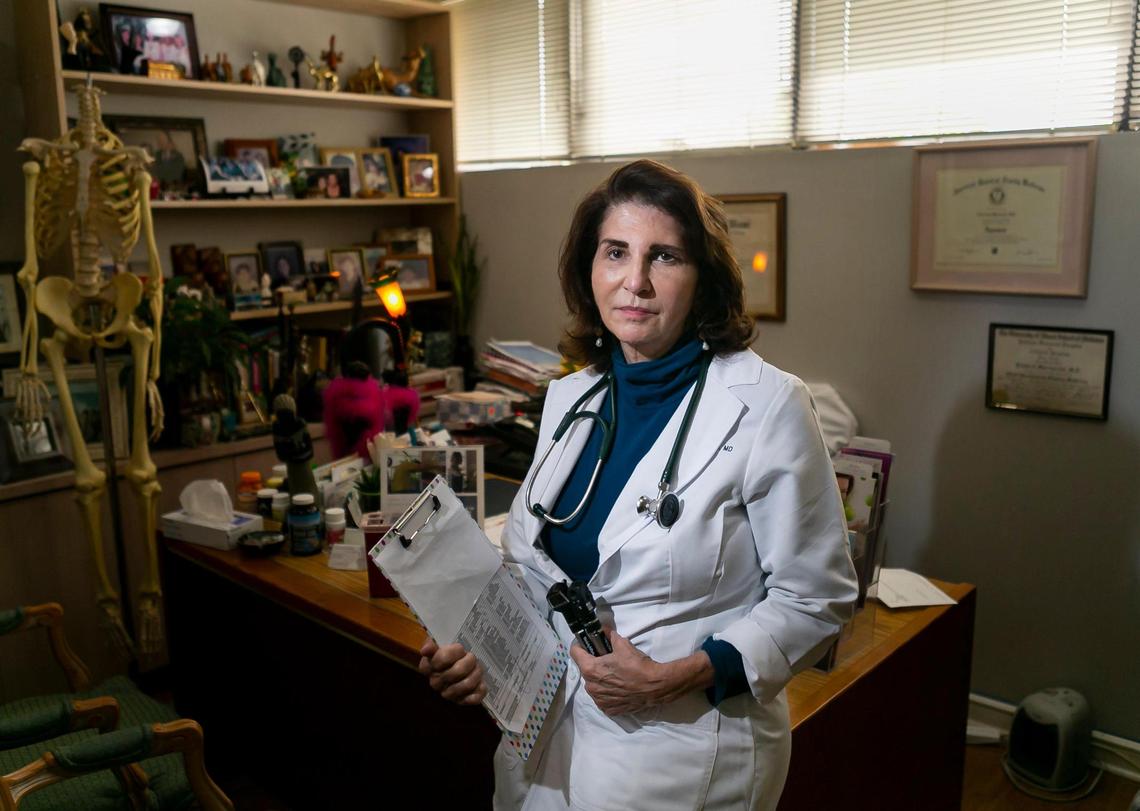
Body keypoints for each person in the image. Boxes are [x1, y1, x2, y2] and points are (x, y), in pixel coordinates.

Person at [419, 159, 858, 811]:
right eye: (615, 252)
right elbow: (534, 569)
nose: (635, 281)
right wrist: (475, 645)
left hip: (681, 748)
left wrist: (668, 677)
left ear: (703, 278)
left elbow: (816, 598)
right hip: (549, 728)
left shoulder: (767, 404)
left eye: (665, 257)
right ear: (588, 267)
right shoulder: (572, 396)